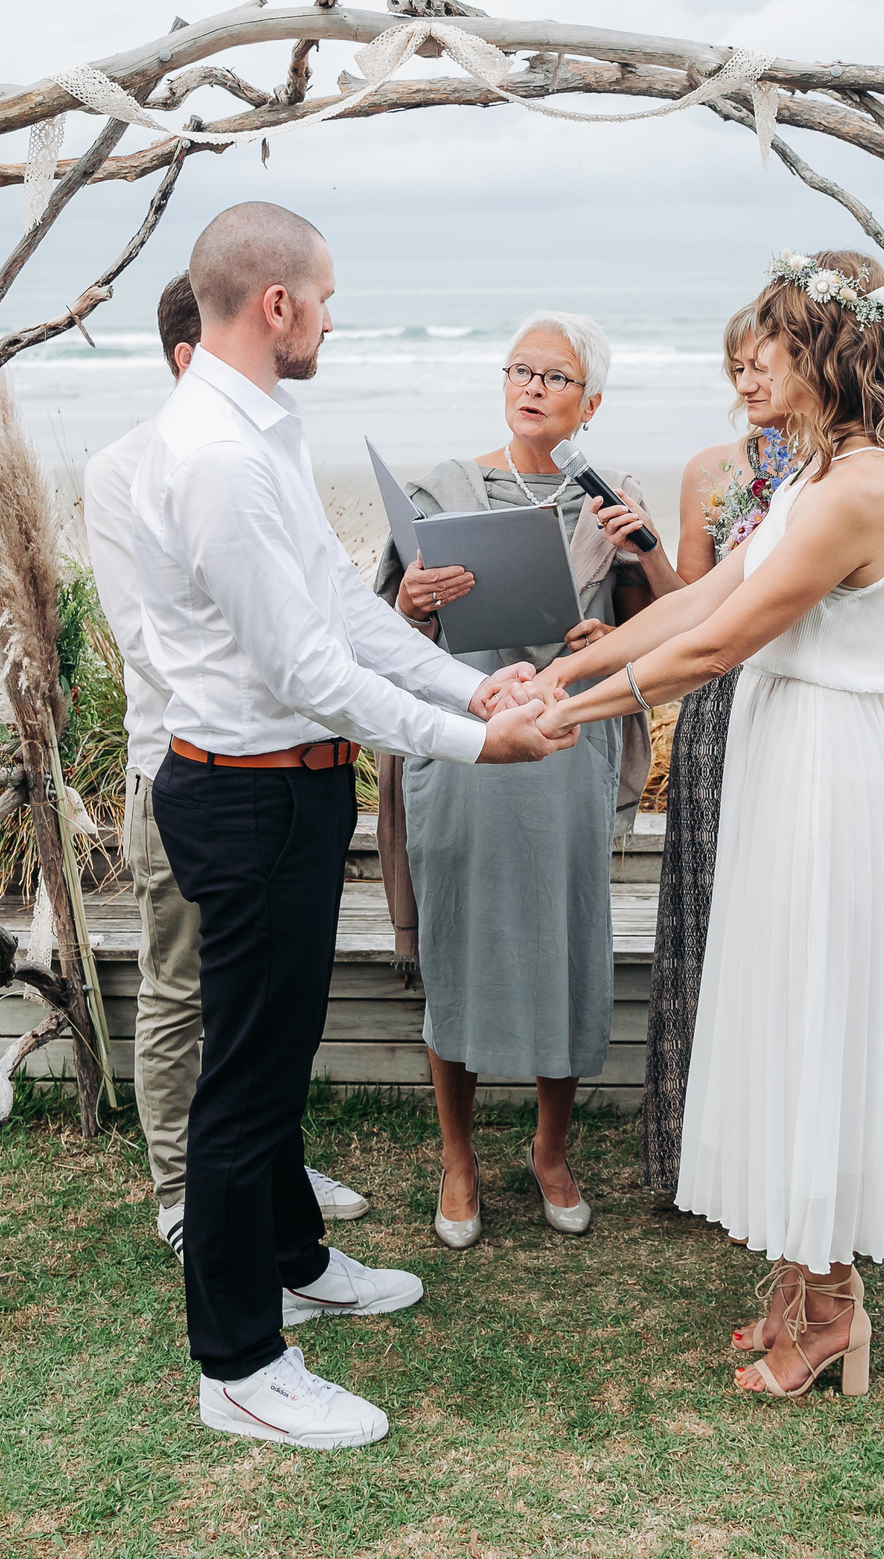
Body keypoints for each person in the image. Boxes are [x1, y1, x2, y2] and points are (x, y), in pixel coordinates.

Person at [126, 202, 577, 1449]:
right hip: (247, 787)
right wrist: (480, 739)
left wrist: (468, 681)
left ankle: (295, 1260)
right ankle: (237, 1363)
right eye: (323, 296)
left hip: (292, 785)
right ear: (276, 304)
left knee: (274, 1064)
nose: (330, 315)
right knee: (244, 1085)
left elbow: (340, 604)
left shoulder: (260, 427)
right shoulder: (215, 453)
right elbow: (307, 667)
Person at [531, 250, 884, 1399]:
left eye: (771, 342)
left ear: (827, 351)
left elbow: (720, 646)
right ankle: (797, 1284)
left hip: (825, 767)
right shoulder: (822, 470)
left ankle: (833, 1316)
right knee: (778, 1008)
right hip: (787, 756)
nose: (750, 362)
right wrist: (558, 679)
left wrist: (572, 710)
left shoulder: (867, 483)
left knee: (812, 1018)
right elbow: (700, 598)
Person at [80, 272, 370, 1267]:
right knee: (180, 989)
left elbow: (316, 601)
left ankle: (265, 1178)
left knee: (263, 1006)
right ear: (187, 357)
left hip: (280, 763)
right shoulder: (127, 472)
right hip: (183, 767)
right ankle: (181, 1192)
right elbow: (152, 642)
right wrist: (307, 682)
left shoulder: (263, 455)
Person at [370, 312, 676, 1248]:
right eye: (521, 369)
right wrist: (410, 602)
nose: (534, 386)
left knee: (565, 942)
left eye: (557, 375)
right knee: (457, 944)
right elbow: (382, 638)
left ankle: (551, 1151)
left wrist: (632, 579)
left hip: (562, 748)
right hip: (467, 749)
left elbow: (668, 626)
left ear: (591, 401)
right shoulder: (441, 491)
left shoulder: (604, 505)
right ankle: (458, 1159)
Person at [638, 306, 798, 1197]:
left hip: (806, 701)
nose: (743, 382)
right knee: (705, 909)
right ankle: (693, 1151)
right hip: (716, 702)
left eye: (758, 362)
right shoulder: (711, 470)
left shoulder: (847, 472)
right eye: (732, 366)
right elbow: (693, 599)